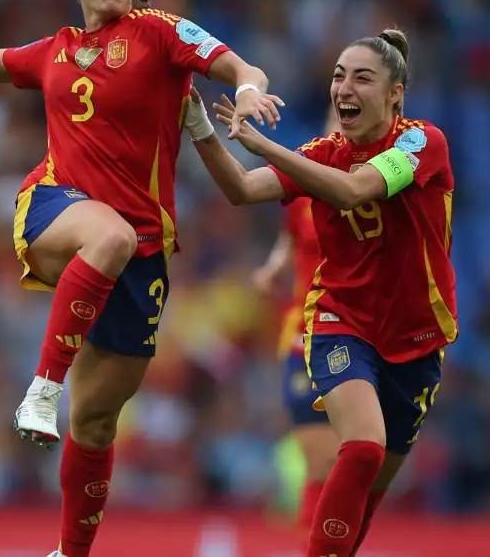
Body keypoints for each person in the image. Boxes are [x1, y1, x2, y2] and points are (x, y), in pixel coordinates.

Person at [0, 0, 282, 557]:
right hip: (56, 207)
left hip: (145, 250)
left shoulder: (162, 33)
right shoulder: (53, 49)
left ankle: (70, 552)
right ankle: (41, 388)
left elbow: (241, 66)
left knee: (97, 422)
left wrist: (248, 95)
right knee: (105, 237)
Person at [185, 28, 456, 557]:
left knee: (366, 501)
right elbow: (242, 190)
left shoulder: (422, 142)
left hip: (417, 336)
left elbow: (355, 192)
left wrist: (264, 145)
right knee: (361, 449)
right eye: (337, 76)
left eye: (361, 77)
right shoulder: (322, 153)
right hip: (340, 321)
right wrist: (198, 127)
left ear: (395, 92)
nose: (344, 88)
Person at [250, 121, 341, 530]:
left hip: (362, 335)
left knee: (347, 465)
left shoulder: (378, 192)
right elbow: (290, 236)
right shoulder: (303, 187)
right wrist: (273, 268)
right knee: (318, 458)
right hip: (306, 333)